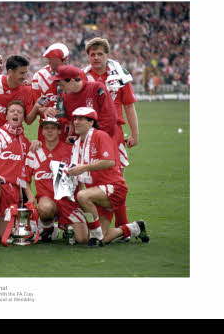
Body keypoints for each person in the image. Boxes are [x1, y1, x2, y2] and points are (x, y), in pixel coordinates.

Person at [66, 107, 149, 247]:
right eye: (75, 118)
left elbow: (109, 161)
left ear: (91, 122)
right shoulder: (77, 144)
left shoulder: (100, 136)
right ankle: (135, 227)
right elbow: (80, 179)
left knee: (83, 196)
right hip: (98, 194)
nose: (76, 122)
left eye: (80, 119)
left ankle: (96, 236)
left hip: (115, 188)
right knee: (96, 237)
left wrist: (83, 168)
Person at [82, 37, 139, 234]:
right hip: (91, 137)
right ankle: (100, 226)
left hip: (114, 136)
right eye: (92, 54)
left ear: (107, 55)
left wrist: (134, 133)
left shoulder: (119, 76)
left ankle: (122, 225)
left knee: (117, 182)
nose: (96, 58)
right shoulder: (83, 77)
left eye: (100, 54)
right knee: (94, 180)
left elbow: (129, 105)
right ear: (88, 56)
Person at [0, 100, 36, 246]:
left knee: (3, 235)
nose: (15, 113)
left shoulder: (25, 143)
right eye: (12, 111)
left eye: (19, 112)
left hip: (13, 192)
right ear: (6, 116)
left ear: (23, 118)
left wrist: (37, 144)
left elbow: (26, 173)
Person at [25, 117, 88, 245]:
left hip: (68, 201)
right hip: (48, 199)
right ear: (42, 131)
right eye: (46, 128)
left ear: (59, 131)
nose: (49, 131)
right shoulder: (34, 152)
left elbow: (80, 177)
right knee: (45, 208)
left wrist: (81, 196)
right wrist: (31, 197)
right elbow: (25, 178)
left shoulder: (71, 150)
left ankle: (67, 227)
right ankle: (48, 227)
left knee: (82, 239)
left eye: (53, 128)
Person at [47, 65, 118, 143]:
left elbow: (110, 118)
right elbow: (68, 121)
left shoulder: (96, 88)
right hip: (80, 145)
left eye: (62, 85)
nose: (60, 88)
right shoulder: (65, 96)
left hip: (102, 141)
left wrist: (93, 138)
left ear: (72, 80)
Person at [31, 43, 86, 142]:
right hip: (48, 129)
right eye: (50, 62)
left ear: (65, 60)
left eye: (55, 64)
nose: (52, 67)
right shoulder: (38, 76)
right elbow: (36, 106)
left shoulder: (78, 74)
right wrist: (44, 110)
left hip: (71, 129)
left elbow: (84, 104)